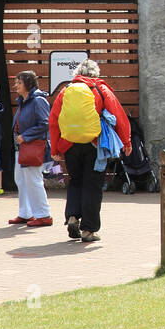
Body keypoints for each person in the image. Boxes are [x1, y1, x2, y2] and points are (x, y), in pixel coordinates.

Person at [48, 58, 134, 243]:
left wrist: (55, 148)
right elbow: (118, 116)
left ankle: (72, 216)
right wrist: (126, 141)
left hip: (70, 145)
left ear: (78, 74)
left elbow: (54, 121)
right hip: (95, 145)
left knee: (76, 182)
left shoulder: (66, 91)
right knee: (93, 185)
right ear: (96, 73)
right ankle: (88, 230)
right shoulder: (101, 90)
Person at [10, 71, 54, 228]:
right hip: (23, 146)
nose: (15, 86)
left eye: (18, 83)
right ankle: (25, 213)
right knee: (21, 180)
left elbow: (45, 123)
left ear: (28, 83)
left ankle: (43, 215)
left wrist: (26, 136)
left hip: (34, 145)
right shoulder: (25, 100)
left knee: (34, 180)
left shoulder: (38, 100)